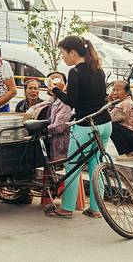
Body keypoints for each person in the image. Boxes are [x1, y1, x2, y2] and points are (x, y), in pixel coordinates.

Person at [46, 35, 110, 219]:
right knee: (96, 165)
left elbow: (72, 101)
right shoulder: (98, 69)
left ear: (73, 53)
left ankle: (67, 208)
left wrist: (54, 90)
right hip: (105, 123)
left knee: (72, 165)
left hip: (86, 126)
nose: (62, 57)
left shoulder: (75, 72)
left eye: (63, 53)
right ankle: (96, 209)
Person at [26, 72, 72, 162]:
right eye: (50, 81)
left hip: (61, 145)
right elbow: (42, 104)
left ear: (65, 84)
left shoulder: (65, 101)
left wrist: (42, 130)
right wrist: (31, 110)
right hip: (53, 144)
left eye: (57, 80)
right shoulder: (54, 98)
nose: (53, 84)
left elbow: (58, 127)